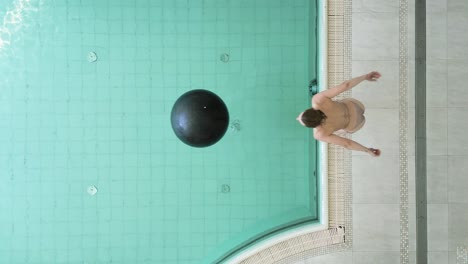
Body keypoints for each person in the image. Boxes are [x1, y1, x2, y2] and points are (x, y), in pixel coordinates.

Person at [296, 71, 382, 157]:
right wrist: (365, 77)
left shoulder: (319, 134)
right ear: (309, 110)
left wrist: (367, 150)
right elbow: (345, 86)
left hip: (355, 123)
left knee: (339, 131)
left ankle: (340, 128)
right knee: (338, 103)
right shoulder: (317, 100)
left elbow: (347, 144)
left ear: (312, 126)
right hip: (355, 106)